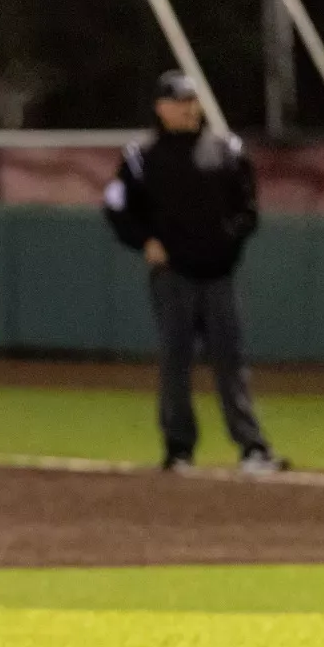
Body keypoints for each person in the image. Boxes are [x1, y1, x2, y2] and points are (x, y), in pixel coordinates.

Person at [104, 69, 284, 474]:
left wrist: (228, 242)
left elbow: (248, 209)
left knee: (230, 363)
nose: (188, 109)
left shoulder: (227, 150)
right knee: (175, 362)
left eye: (192, 101)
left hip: (219, 274)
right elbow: (117, 207)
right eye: (180, 101)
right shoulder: (142, 156)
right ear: (161, 107)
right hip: (174, 276)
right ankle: (179, 449)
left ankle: (252, 448)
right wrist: (144, 240)